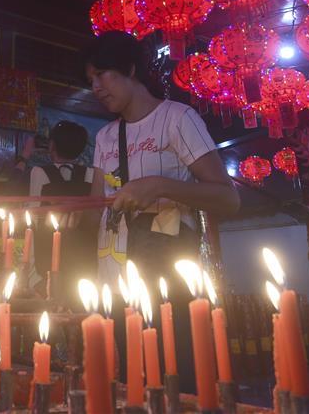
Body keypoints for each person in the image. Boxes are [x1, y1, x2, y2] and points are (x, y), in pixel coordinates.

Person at [82, 31, 240, 390]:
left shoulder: (177, 118)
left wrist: (160, 186)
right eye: (90, 80)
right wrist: (67, 217)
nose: (95, 87)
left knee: (175, 380)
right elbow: (96, 209)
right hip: (115, 281)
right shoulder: (105, 136)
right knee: (131, 384)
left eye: (102, 74)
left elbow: (228, 199)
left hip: (167, 280)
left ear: (130, 69)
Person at [29, 121, 95, 304]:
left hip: (47, 252)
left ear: (52, 145)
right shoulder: (91, 174)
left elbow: (33, 215)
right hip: (83, 255)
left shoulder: (39, 172)